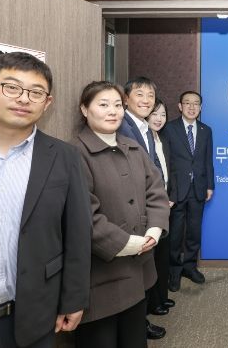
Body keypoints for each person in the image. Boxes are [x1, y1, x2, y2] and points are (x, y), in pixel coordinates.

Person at [0, 52, 91, 348]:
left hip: (35, 315)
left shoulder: (64, 156)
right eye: (12, 87)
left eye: (36, 92)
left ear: (47, 103)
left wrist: (74, 299)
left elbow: (78, 234)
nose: (24, 99)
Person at [72, 81, 170, 348]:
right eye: (103, 104)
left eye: (117, 105)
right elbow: (84, 215)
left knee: (134, 339)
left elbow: (156, 191)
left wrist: (154, 231)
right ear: (85, 109)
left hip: (139, 270)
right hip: (101, 277)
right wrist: (128, 243)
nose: (112, 111)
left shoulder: (133, 147)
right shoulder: (75, 154)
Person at [116, 76, 167, 339]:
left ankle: (140, 320)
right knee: (133, 271)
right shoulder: (122, 126)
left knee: (143, 268)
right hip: (131, 209)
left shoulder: (143, 127)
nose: (146, 101)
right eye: (140, 94)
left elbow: (152, 170)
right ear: (126, 99)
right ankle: (137, 325)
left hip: (148, 208)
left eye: (150, 96)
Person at [164, 90, 214, 292]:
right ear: (180, 106)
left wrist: (210, 185)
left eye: (196, 103)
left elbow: (208, 160)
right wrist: (168, 190)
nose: (192, 107)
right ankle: (174, 271)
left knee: (194, 231)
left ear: (200, 107)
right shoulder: (169, 129)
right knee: (175, 233)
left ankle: (190, 267)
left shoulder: (206, 130)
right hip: (177, 190)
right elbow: (166, 161)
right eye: (187, 103)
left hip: (198, 188)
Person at [146, 99, 176, 316]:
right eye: (154, 114)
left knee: (162, 255)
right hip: (151, 206)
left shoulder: (162, 138)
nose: (159, 119)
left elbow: (169, 171)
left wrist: (170, 197)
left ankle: (160, 297)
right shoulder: (143, 139)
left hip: (165, 203)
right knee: (150, 258)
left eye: (163, 115)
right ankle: (152, 304)